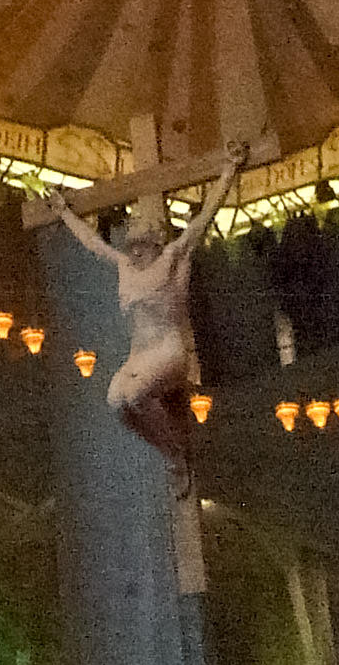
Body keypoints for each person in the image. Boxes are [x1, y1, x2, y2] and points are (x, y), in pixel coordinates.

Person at [53, 141, 249, 493]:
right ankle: (168, 450)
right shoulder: (125, 266)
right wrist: (64, 212)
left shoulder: (172, 257)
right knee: (116, 403)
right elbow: (93, 244)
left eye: (142, 246)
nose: (136, 252)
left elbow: (204, 218)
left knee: (135, 396)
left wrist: (229, 170)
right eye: (132, 246)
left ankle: (176, 456)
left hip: (168, 350)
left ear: (155, 243)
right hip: (139, 355)